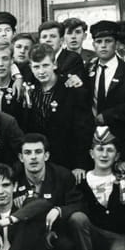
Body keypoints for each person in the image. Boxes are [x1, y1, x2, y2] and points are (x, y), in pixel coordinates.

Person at [70, 126, 125, 250]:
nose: (104, 155)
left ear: (117, 156)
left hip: (117, 237)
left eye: (110, 150)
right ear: (91, 153)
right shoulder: (81, 180)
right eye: (100, 149)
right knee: (77, 218)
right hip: (91, 234)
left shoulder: (124, 179)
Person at [14, 134, 79, 250]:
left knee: (66, 246)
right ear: (21, 157)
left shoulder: (62, 175)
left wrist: (59, 210)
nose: (33, 157)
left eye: (38, 152)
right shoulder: (13, 176)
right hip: (25, 234)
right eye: (28, 153)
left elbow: (79, 204)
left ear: (47, 155)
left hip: (57, 232)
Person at [21, 44, 93, 172]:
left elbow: (83, 130)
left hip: (66, 160)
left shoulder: (72, 89)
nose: (41, 71)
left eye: (45, 65)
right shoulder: (28, 88)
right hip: (36, 161)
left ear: (54, 64)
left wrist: (80, 164)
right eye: (36, 67)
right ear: (30, 67)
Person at [86, 20, 125, 158]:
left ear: (116, 44)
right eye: (99, 41)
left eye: (108, 41)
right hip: (93, 140)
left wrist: (107, 116)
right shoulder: (88, 70)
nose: (103, 45)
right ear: (93, 45)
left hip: (121, 139)